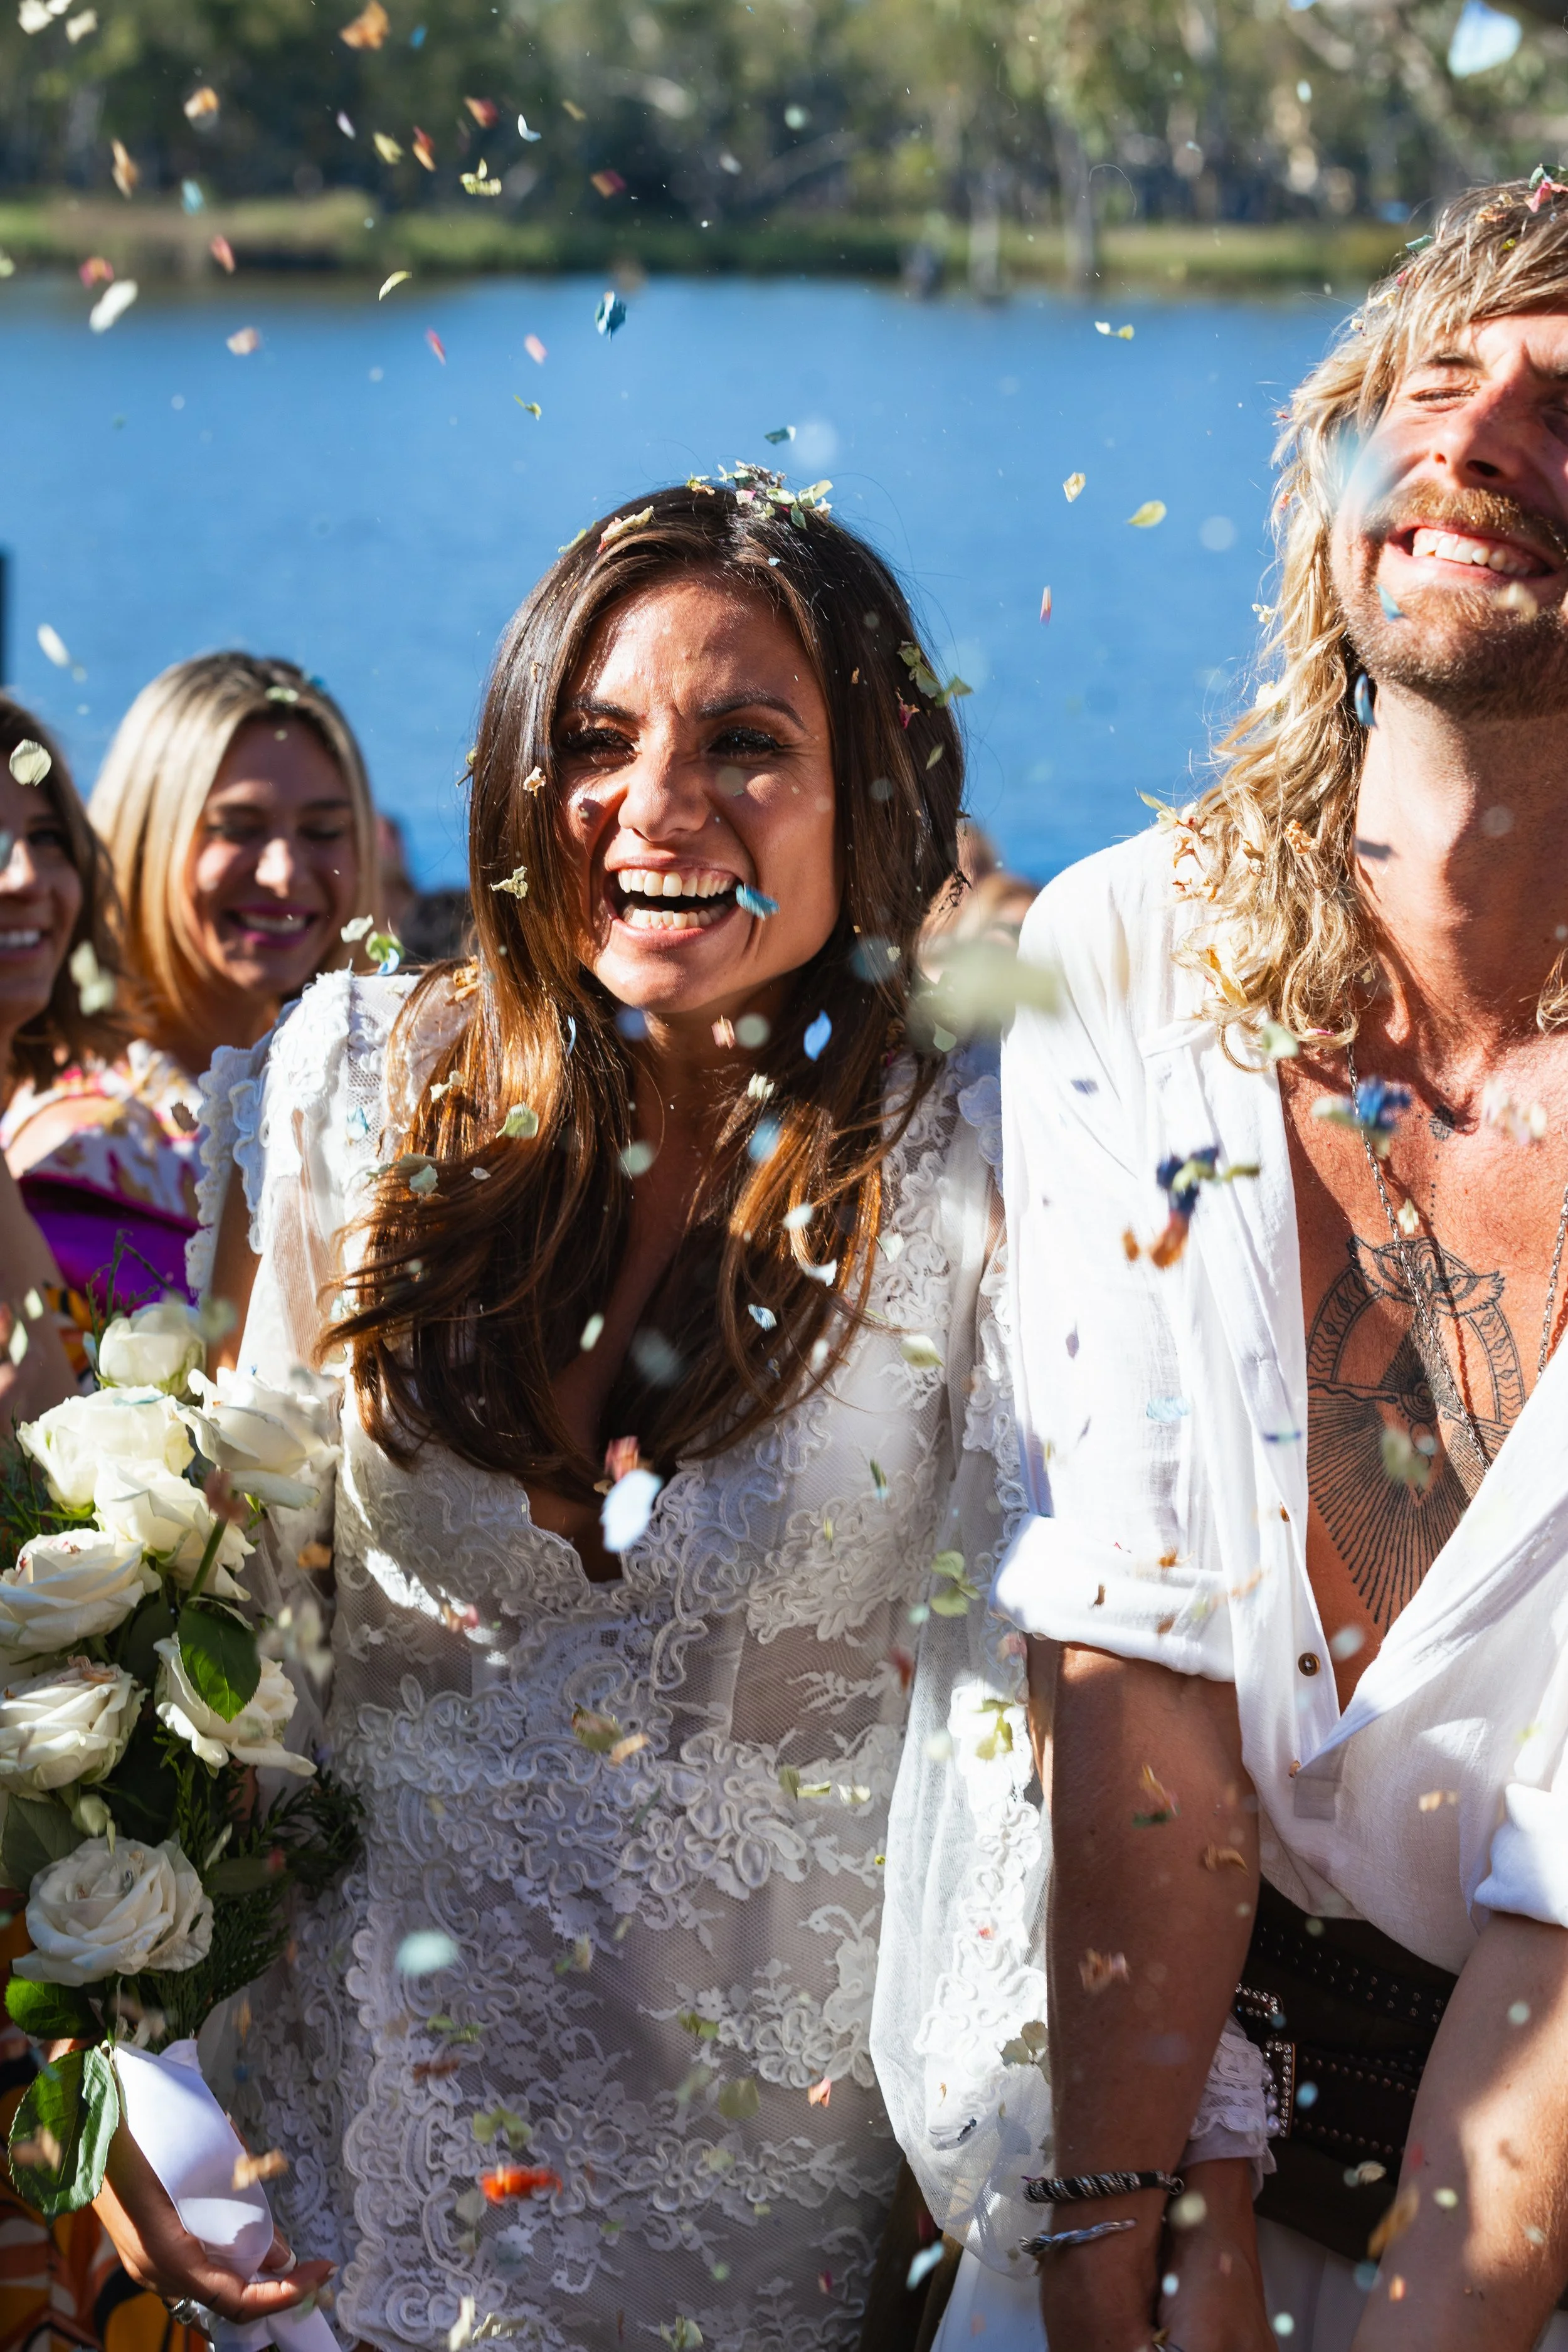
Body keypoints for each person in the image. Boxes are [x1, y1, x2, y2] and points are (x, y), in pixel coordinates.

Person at [87, 473, 1042, 2352]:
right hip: (342, 2190)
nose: (656, 805)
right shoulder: (349, 1091)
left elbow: (1025, 1725)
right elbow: (230, 1627)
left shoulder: (977, 1161)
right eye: (596, 740)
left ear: (874, 790)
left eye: (746, 741)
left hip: (771, 2234)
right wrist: (126, 2053)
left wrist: (1005, 2210)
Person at [990, 176, 1568, 2352]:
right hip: (1154, 2148)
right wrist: (1138, 2199)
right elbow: (1128, 1638)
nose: (1474, 441)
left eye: (1566, 412)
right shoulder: (1126, 959)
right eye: (1432, 384)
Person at [3, 654, 376, 1301]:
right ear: (148, 836)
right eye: (237, 829)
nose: (285, 873)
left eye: (323, 831)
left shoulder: (359, 1105)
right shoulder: (75, 1150)